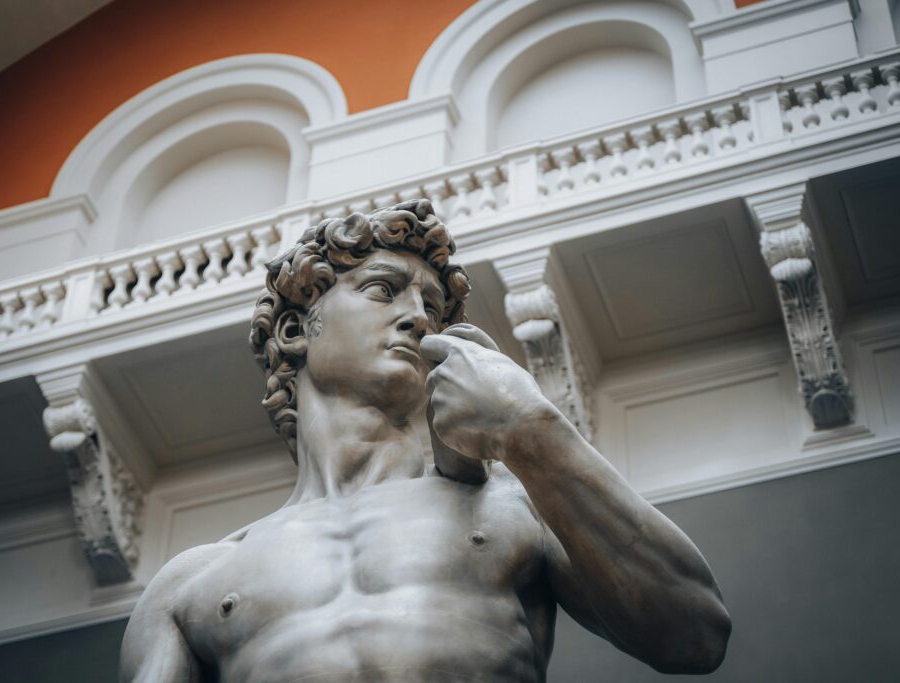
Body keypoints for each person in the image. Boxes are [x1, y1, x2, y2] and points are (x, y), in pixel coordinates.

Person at [120, 200, 731, 682]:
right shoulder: (191, 584)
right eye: (385, 290)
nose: (418, 316)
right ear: (293, 327)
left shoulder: (514, 505)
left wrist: (529, 429)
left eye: (434, 307)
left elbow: (696, 632)